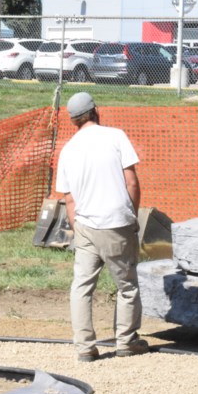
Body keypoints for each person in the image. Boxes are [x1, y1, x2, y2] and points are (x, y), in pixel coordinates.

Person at [55, 92, 150, 363]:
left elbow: (69, 199)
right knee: (127, 285)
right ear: (96, 111)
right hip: (116, 222)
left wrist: (80, 229)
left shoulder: (68, 150)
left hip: (84, 223)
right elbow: (131, 182)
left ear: (73, 119)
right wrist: (131, 216)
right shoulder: (115, 137)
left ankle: (85, 347)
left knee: (82, 286)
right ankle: (126, 341)